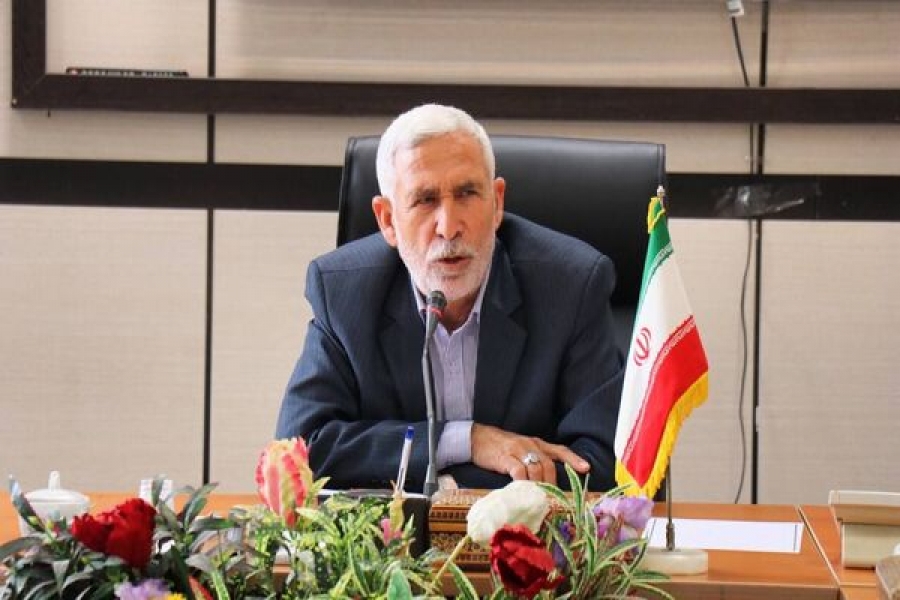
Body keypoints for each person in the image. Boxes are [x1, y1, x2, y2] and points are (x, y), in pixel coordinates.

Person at [275, 104, 624, 491]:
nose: (449, 227)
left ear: (497, 203)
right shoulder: (343, 291)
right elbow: (300, 451)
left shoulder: (571, 285)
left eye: (467, 193)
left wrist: (448, 483)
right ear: (388, 220)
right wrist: (466, 441)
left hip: (527, 528)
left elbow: (607, 461)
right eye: (425, 200)